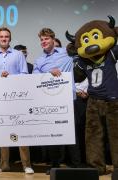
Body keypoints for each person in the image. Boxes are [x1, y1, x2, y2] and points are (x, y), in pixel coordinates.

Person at [0, 27, 34, 174]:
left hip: (17, 99)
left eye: (6, 36)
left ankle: (26, 164)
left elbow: (25, 75)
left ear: (10, 39)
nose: (4, 39)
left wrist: (11, 77)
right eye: (1, 37)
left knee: (21, 131)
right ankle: (4, 164)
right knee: (2, 132)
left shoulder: (18, 55)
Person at [33, 28, 81, 175]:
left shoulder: (67, 53)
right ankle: (54, 165)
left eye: (46, 39)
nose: (43, 42)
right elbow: (34, 78)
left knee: (72, 133)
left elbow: (81, 53)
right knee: (53, 133)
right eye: (41, 40)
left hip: (68, 98)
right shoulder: (39, 60)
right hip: (50, 101)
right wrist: (48, 72)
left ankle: (77, 165)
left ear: (53, 39)